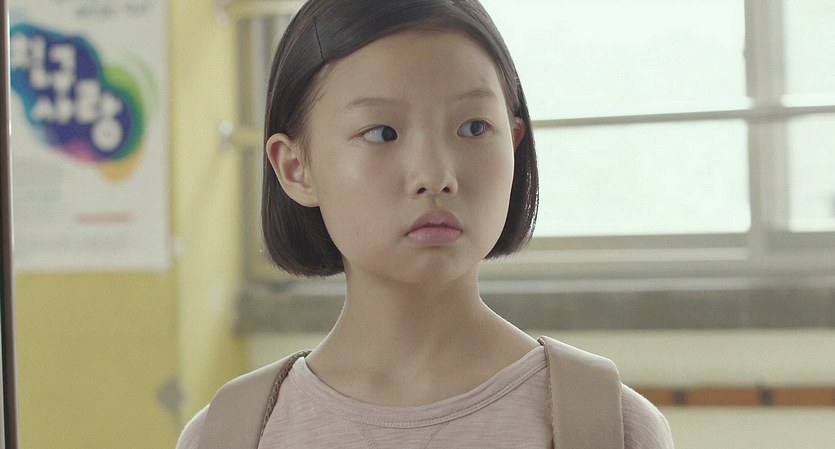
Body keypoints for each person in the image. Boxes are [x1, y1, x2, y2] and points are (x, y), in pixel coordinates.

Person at [177, 0, 674, 447]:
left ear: (514, 142)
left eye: (474, 127)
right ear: (295, 168)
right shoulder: (228, 435)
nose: (436, 176)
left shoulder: (609, 424)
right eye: (382, 132)